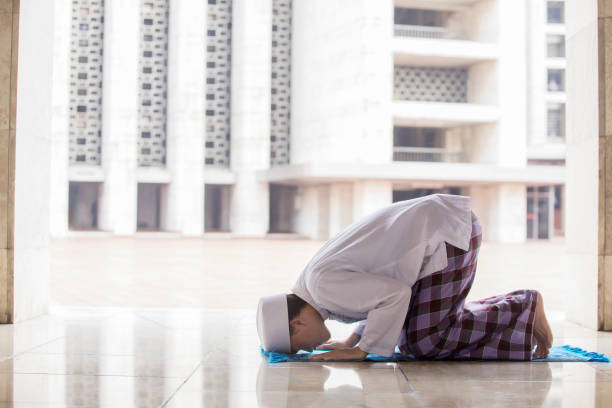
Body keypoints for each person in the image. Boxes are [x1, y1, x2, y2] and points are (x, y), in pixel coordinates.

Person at [256, 194, 553, 361]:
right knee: (410, 336)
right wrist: (353, 340)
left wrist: (362, 351)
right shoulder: (316, 285)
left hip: (446, 235)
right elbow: (375, 296)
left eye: (298, 346)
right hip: (441, 231)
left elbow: (394, 295)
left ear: (297, 323)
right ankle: (515, 304)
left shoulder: (322, 287)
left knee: (427, 342)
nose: (306, 351)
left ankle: (522, 306)